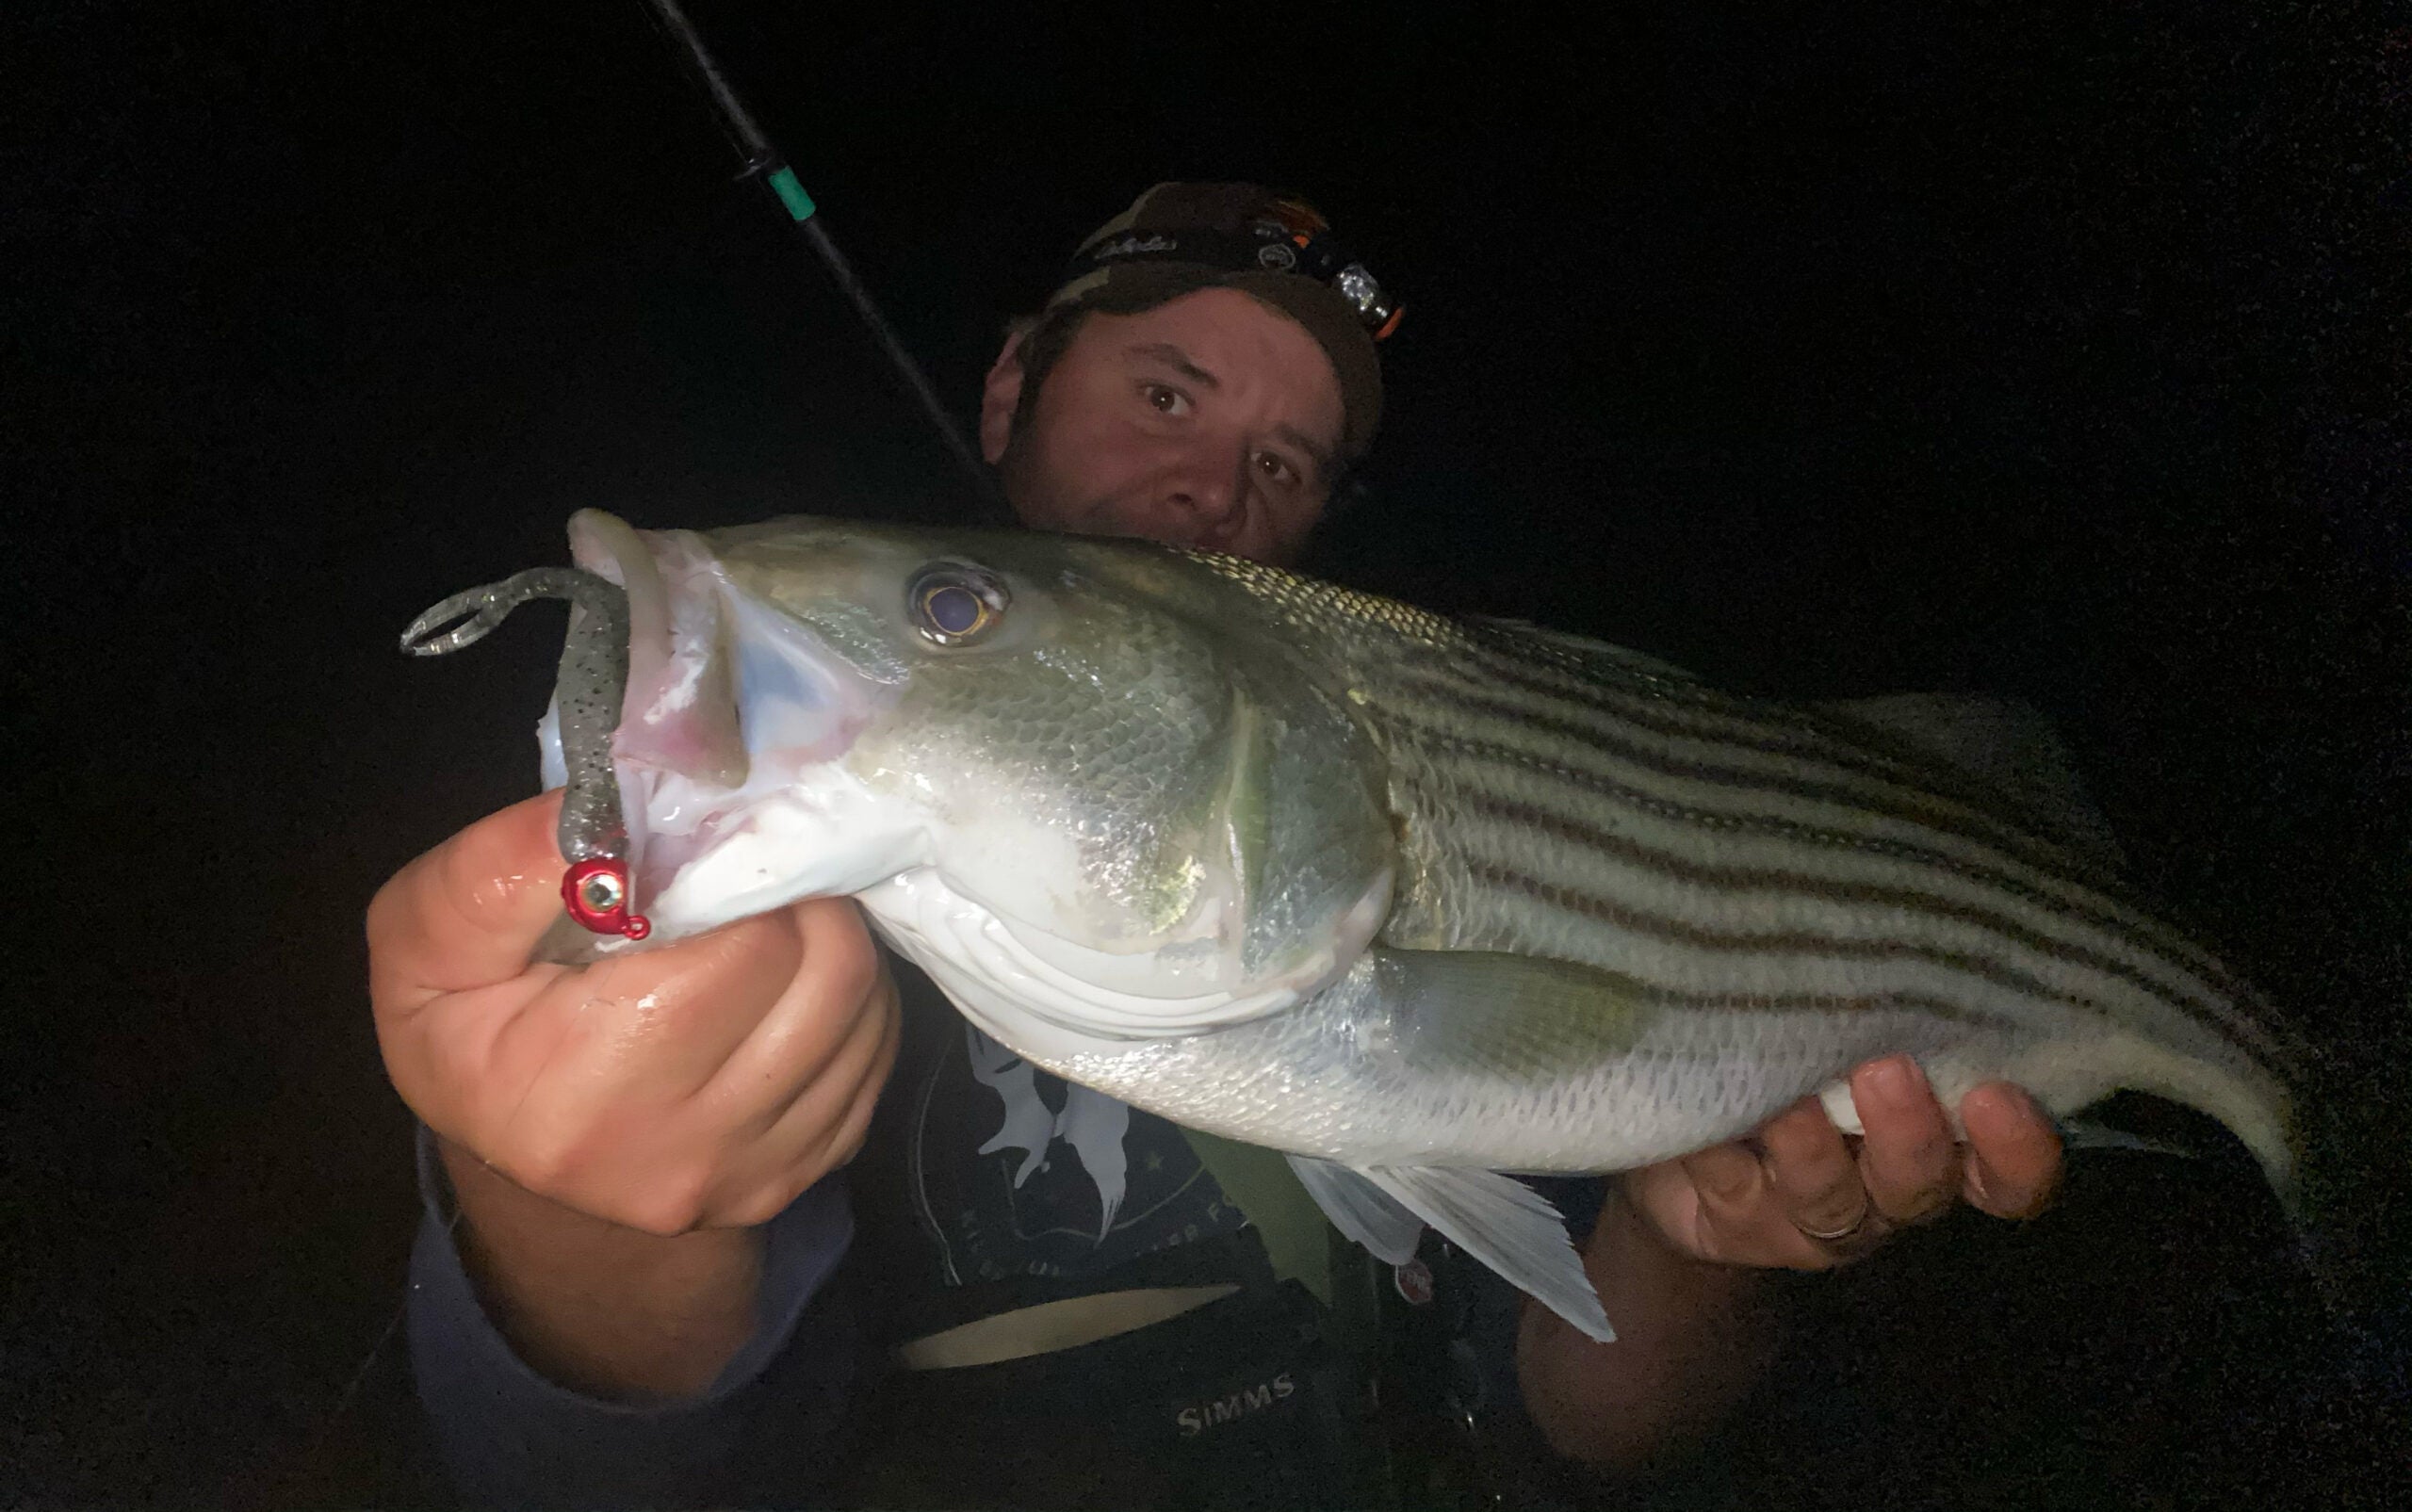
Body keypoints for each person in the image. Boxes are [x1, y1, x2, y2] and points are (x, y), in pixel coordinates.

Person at [367, 183, 2066, 1509]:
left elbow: (1571, 1431)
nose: (1213, 491)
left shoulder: (1378, 762)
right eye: (1164, 391)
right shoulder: (856, 865)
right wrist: (583, 1227)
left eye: (1284, 460)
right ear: (1013, 385)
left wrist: (1694, 1247)